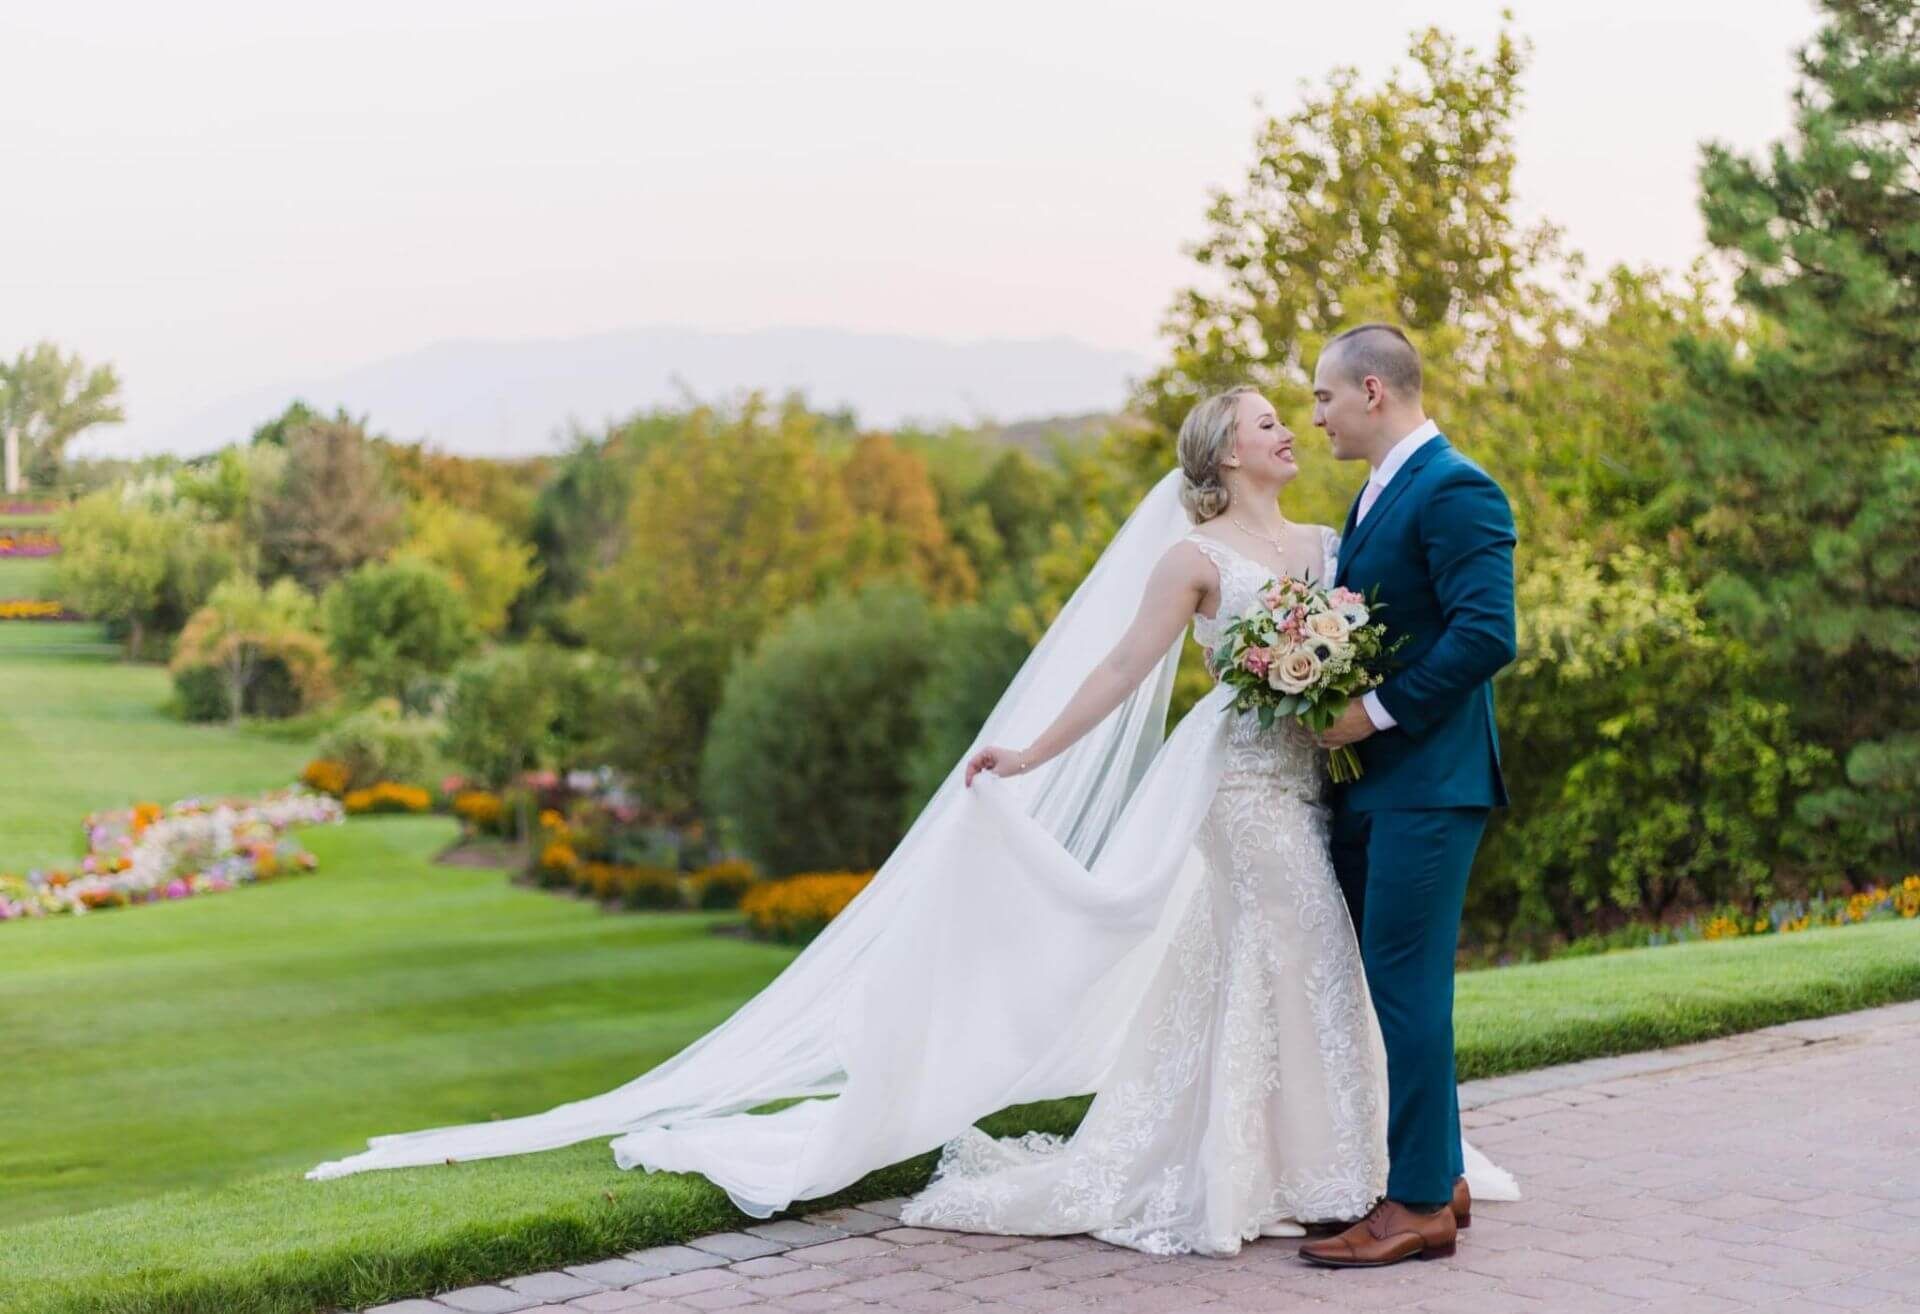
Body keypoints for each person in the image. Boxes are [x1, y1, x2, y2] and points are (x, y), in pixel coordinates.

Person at [307, 367, 1517, 1266]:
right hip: (1242, 782)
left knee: (1312, 963)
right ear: (1227, 451)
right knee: (1301, 948)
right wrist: (1033, 748)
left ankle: (1365, 1168)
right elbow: (1114, 674)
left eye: (1300, 409)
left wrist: (1350, 697)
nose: (1292, 428)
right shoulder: (1192, 559)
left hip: (1316, 774)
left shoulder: (1328, 536)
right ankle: (1341, 1172)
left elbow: (1385, 627)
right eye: (1271, 418)